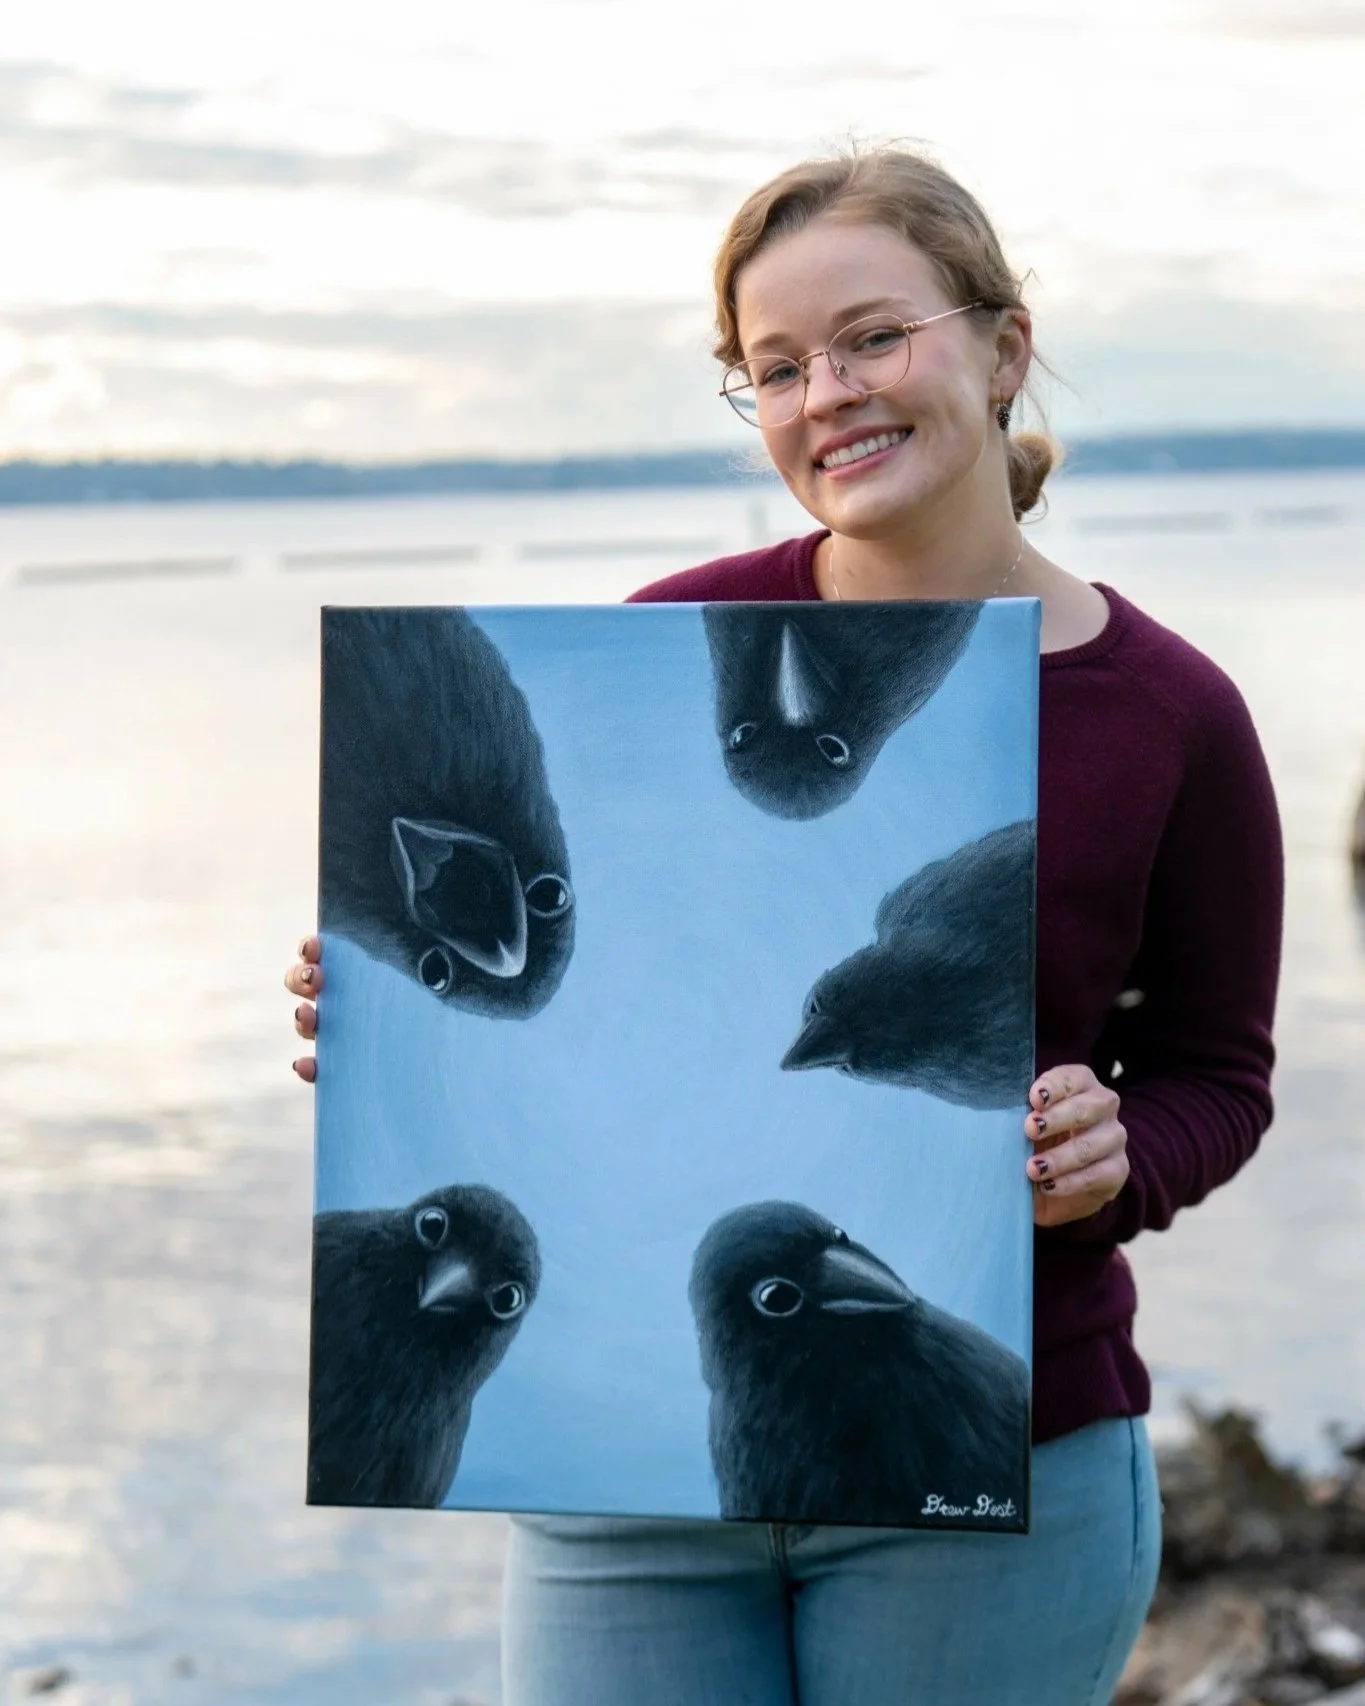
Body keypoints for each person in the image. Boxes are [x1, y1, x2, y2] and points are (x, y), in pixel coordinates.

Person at [284, 148, 1283, 1706]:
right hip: (629, 1507)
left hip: (1003, 1491)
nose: (830, 394)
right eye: (778, 368)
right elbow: (540, 965)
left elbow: (1219, 1071)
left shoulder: (1171, 712)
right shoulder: (659, 640)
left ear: (1005, 346)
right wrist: (362, 1010)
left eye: (875, 337)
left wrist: (1119, 1154)